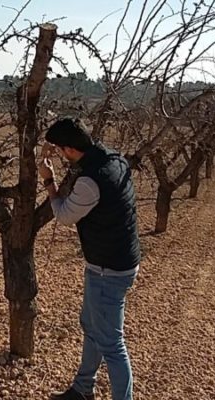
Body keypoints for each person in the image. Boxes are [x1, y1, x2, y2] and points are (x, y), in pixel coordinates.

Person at [39, 118, 141, 400]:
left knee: (112, 344)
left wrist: (49, 180)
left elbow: (63, 215)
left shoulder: (90, 181)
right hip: (116, 260)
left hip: (109, 269)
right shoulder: (114, 158)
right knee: (92, 326)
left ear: (70, 149)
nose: (59, 155)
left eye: (60, 150)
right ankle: (83, 389)